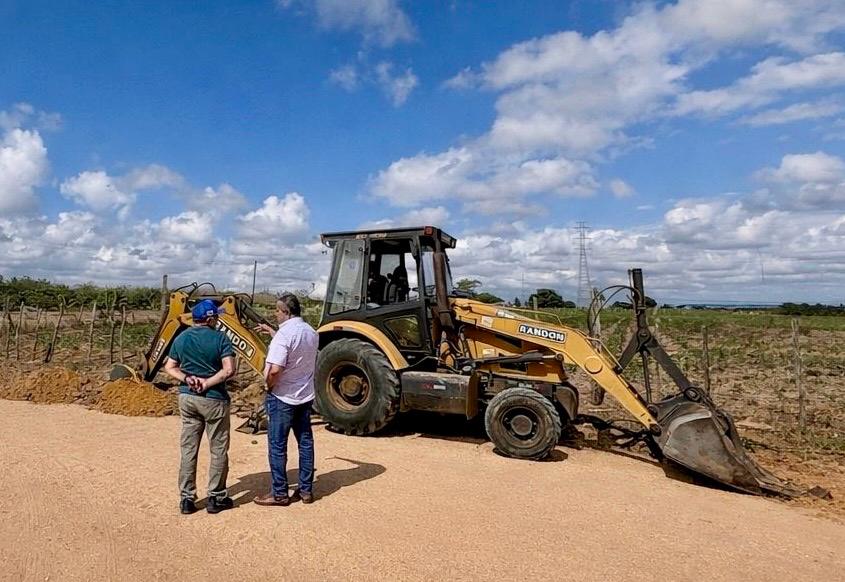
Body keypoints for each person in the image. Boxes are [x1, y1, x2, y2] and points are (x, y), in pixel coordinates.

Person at [164, 298, 236, 515]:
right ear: (211, 318)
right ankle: (216, 496)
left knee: (188, 449)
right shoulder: (220, 338)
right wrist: (207, 383)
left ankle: (187, 499)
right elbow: (229, 370)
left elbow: (170, 367)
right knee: (218, 450)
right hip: (214, 399)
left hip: (187, 399)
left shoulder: (181, 338)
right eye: (216, 316)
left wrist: (188, 379)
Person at [253, 293, 319, 506]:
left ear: (286, 312)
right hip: (305, 396)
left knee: (277, 445)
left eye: (277, 310)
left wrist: (268, 386)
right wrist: (272, 332)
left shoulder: (284, 335)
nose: (275, 314)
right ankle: (306, 490)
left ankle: (279, 493)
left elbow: (276, 369)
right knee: (305, 442)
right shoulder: (311, 332)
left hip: (282, 397)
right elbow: (295, 347)